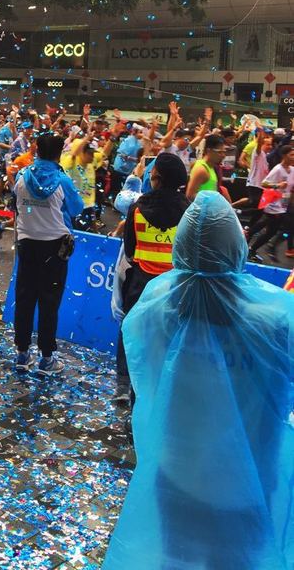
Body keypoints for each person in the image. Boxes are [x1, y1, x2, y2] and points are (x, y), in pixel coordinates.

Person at [102, 192, 294, 570]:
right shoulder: (275, 322)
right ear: (236, 247)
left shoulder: (154, 311)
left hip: (176, 479)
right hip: (248, 486)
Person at [114, 152, 189, 400]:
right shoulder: (189, 211)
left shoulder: (137, 209)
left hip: (141, 285)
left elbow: (131, 251)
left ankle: (124, 383)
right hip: (173, 288)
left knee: (131, 331)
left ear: (156, 176)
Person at [13, 133, 83, 375]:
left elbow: (16, 203)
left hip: (26, 244)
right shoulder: (63, 180)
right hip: (54, 248)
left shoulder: (21, 176)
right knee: (49, 302)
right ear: (59, 153)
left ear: (36, 150)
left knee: (24, 299)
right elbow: (77, 208)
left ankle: (22, 353)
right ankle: (46, 358)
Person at [247, 144, 294, 259]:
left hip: (284, 204)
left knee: (271, 229)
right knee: (274, 228)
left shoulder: (292, 170)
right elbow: (264, 183)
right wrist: (277, 185)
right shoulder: (278, 169)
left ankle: (250, 239)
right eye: (291, 155)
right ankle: (252, 245)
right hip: (274, 205)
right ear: (284, 155)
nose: (293, 157)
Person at [186, 134, 226, 200]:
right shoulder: (201, 170)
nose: (223, 155)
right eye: (219, 152)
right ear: (208, 151)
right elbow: (190, 195)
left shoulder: (211, 167)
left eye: (224, 152)